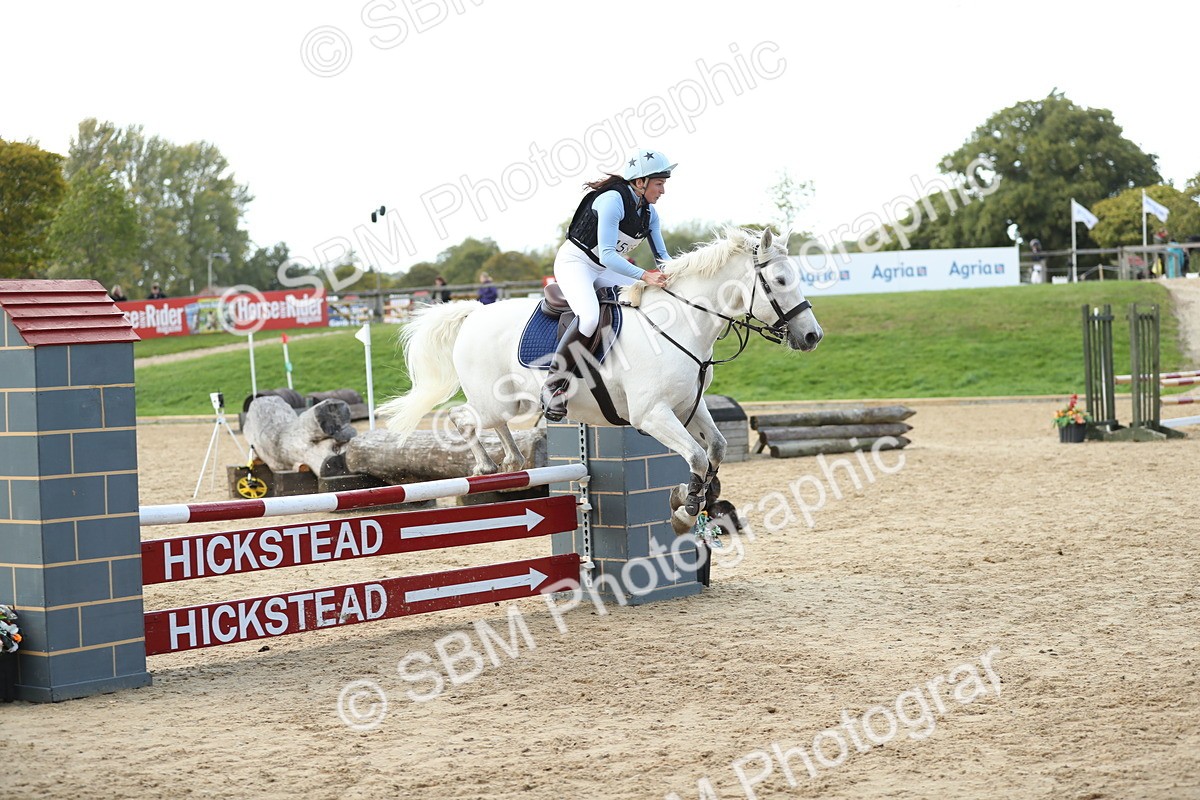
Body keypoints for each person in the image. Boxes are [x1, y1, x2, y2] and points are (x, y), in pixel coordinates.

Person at [540, 147, 673, 421]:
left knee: (649, 297)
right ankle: (553, 385)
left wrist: (677, 277)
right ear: (640, 182)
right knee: (588, 318)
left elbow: (663, 258)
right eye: (659, 184)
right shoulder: (613, 200)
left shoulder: (650, 214)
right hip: (575, 263)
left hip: (603, 268)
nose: (662, 190)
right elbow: (609, 255)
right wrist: (645, 276)